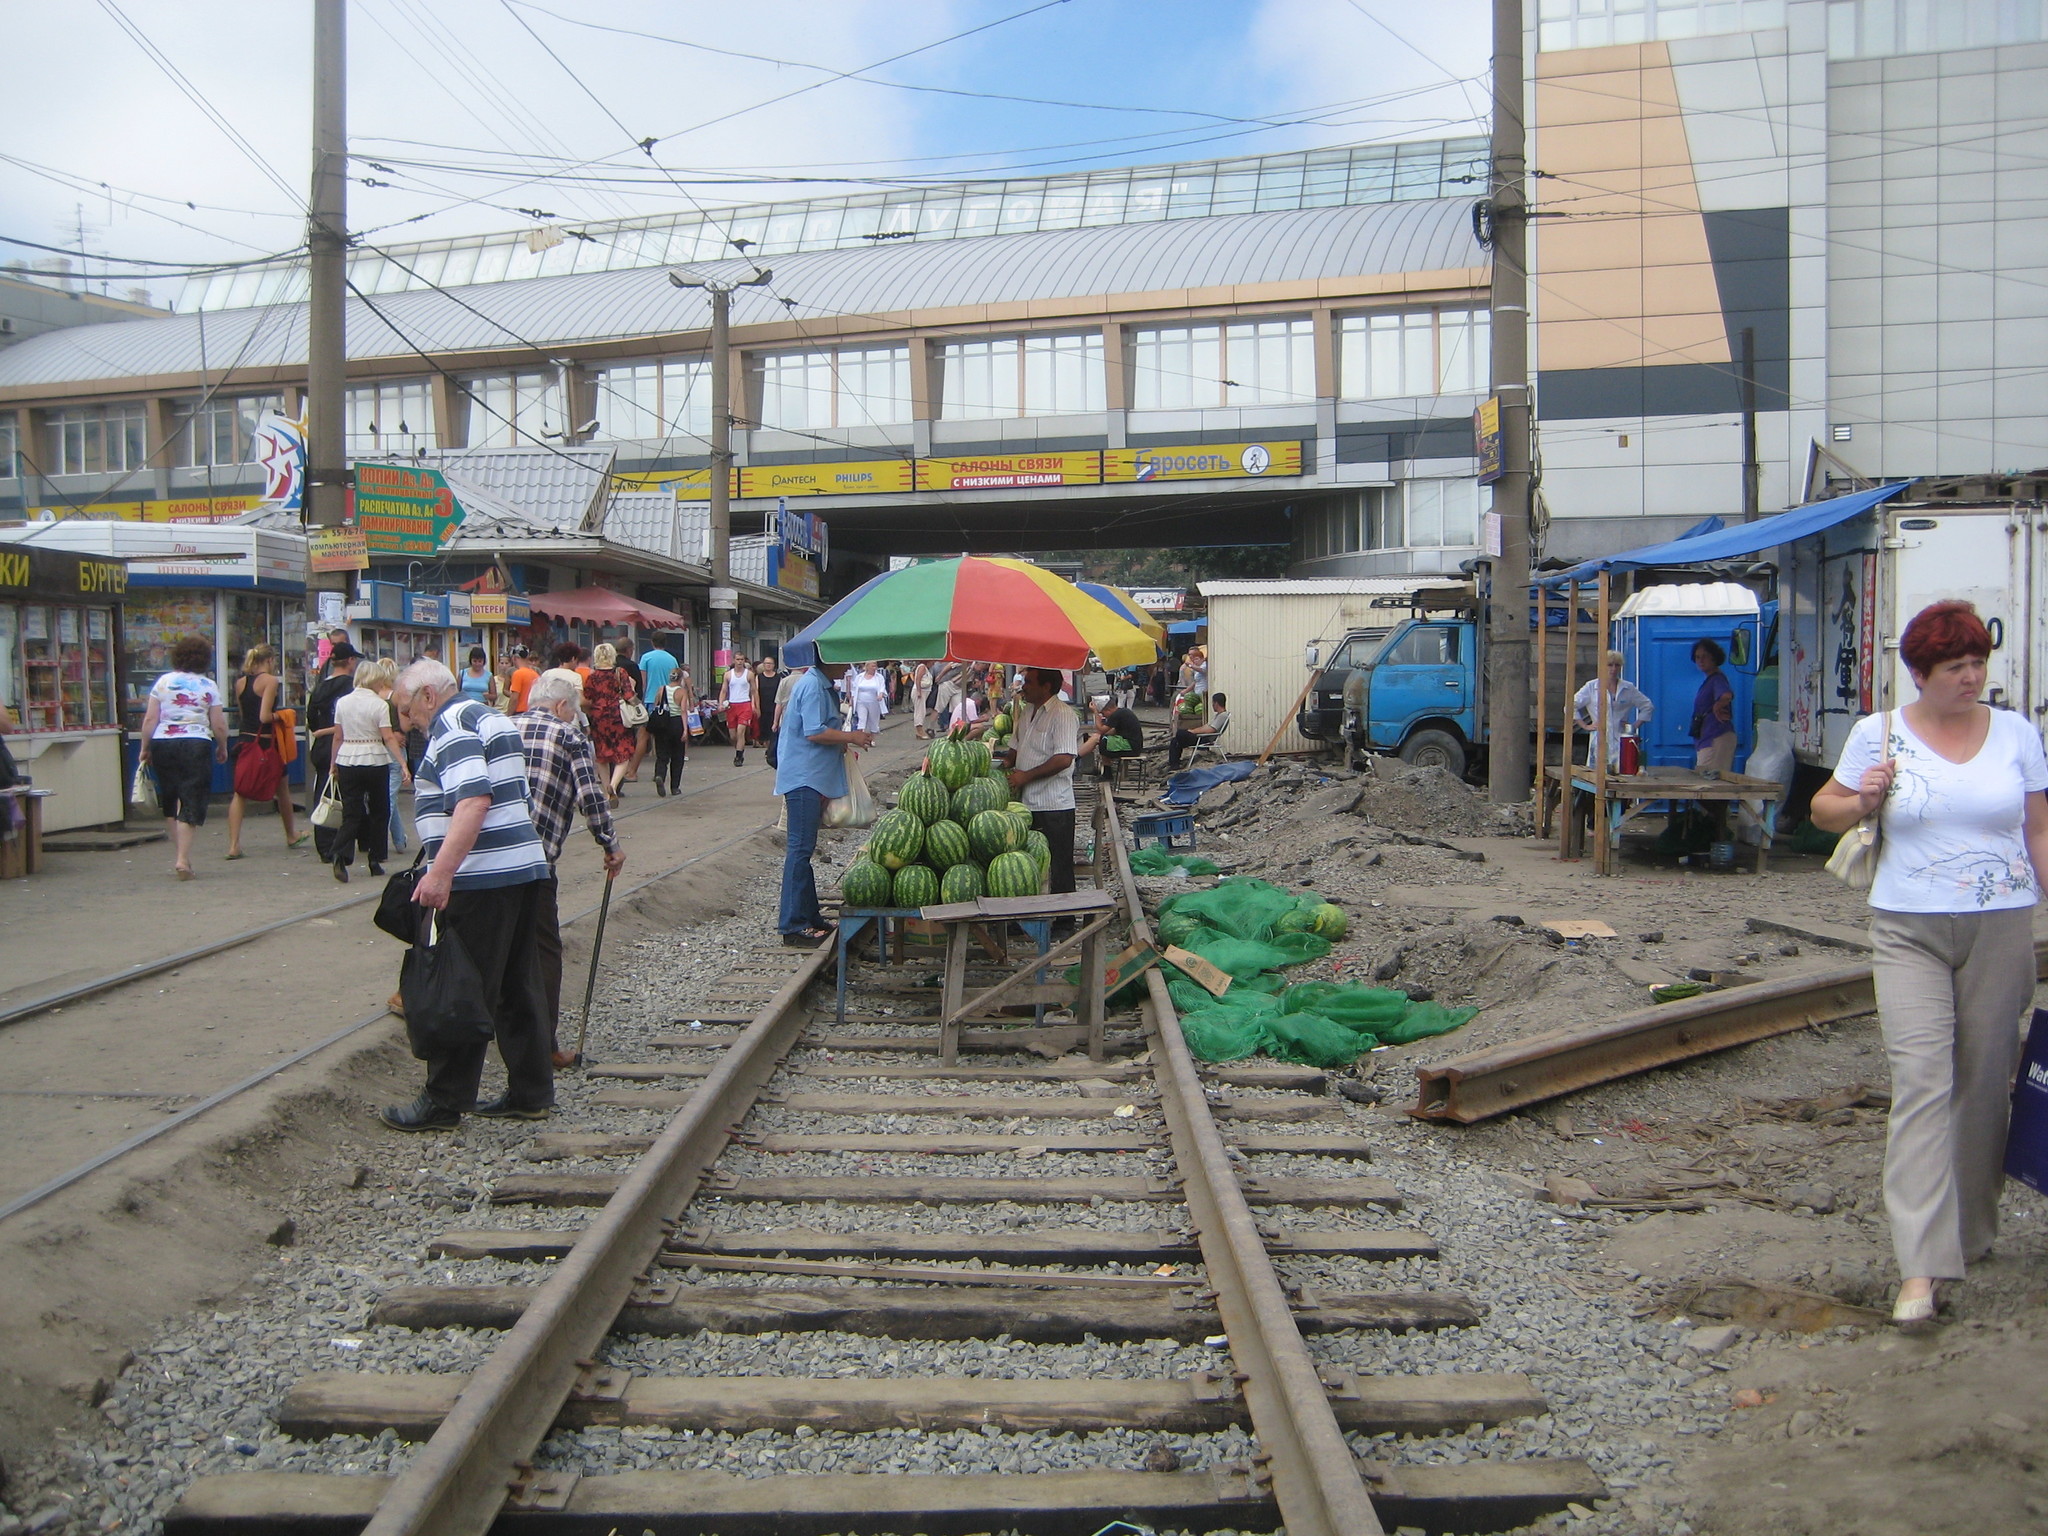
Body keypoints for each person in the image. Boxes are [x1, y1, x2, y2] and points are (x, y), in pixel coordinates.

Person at [1809, 601, 2048, 1326]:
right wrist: (1861, 799)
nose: (1972, 677)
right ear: (1920, 674)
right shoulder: (1877, 734)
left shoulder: (2017, 733)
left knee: (1982, 1084)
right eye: (1956, 667)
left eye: (1978, 663)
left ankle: (1972, 1229)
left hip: (2002, 928)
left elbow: (2038, 827)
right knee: (1920, 1080)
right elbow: (1823, 810)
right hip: (1907, 927)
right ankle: (1921, 1265)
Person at [380, 659, 555, 1133]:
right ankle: (531, 1091)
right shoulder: (491, 716)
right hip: (521, 868)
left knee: (460, 988)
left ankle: (444, 1100)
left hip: (480, 877)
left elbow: (474, 799)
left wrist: (440, 873)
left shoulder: (451, 725)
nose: (406, 721)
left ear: (428, 696)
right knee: (518, 985)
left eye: (407, 710)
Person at [518, 671, 626, 1069]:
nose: (575, 717)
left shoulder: (502, 728)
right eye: (575, 710)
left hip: (485, 860)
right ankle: (543, 1045)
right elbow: (591, 799)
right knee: (544, 951)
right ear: (562, 705)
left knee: (491, 946)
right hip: (534, 862)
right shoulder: (568, 737)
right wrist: (611, 846)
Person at [775, 660, 875, 946]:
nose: (847, 667)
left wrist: (842, 742)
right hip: (804, 778)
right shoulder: (813, 687)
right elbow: (815, 732)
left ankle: (810, 916)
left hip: (813, 776)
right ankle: (793, 926)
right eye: (843, 660)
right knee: (800, 849)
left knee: (804, 848)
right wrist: (851, 737)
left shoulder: (821, 685)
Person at [138, 635, 230, 881]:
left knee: (171, 797)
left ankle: (182, 856)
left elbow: (150, 719)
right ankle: (182, 859)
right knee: (191, 798)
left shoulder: (163, 682)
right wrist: (222, 746)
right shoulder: (209, 686)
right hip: (196, 743)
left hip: (163, 742)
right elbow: (218, 724)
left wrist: (145, 747)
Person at [329, 659, 410, 882]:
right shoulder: (379, 705)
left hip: (348, 758)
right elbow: (388, 737)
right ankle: (375, 859)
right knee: (379, 811)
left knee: (351, 812)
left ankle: (339, 852)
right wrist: (403, 764)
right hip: (375, 758)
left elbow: (338, 736)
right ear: (375, 680)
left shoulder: (342, 702)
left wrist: (333, 763)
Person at [1001, 668, 1079, 895]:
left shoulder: (1063, 715)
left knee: (1058, 865)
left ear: (1046, 687)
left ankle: (1064, 922)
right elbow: (1016, 747)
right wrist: (1003, 765)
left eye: (1028, 682)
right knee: (1030, 864)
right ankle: (1034, 914)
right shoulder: (1026, 712)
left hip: (1054, 805)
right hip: (1026, 805)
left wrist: (1025, 776)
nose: (1023, 686)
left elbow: (1064, 758)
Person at [224, 644, 305, 859]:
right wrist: (283, 715)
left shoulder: (240, 683)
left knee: (240, 792)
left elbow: (245, 716)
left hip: (245, 742)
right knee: (283, 789)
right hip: (268, 745)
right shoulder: (269, 681)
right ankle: (291, 834)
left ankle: (234, 845)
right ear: (269, 661)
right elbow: (264, 717)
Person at [304, 642, 361, 862]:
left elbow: (311, 717)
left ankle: (324, 844)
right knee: (346, 795)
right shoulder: (351, 687)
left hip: (321, 745)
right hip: (343, 744)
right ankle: (340, 845)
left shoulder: (320, 687)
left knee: (323, 793)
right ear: (350, 661)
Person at [1573, 650, 1655, 770]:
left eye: (1617, 665)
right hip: (1599, 739)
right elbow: (1571, 705)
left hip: (1621, 739)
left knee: (1623, 770)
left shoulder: (1628, 688)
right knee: (1598, 773)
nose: (1613, 669)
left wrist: (1634, 726)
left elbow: (1647, 706)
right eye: (1609, 665)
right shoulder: (1591, 687)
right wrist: (1585, 726)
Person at [579, 642, 637, 801]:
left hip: (598, 717)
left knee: (602, 755)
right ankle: (614, 784)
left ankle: (606, 791)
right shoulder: (620, 672)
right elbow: (629, 696)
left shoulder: (593, 676)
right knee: (623, 753)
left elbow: (586, 698)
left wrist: (592, 711)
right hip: (618, 716)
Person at [1688, 637, 1736, 774]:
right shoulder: (1709, 681)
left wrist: (1718, 706)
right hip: (1705, 739)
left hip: (1716, 738)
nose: (1701, 661)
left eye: (1705, 656)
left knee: (1709, 783)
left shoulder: (1718, 679)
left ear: (1714, 658)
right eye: (1697, 657)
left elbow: (1726, 695)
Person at [1167, 692, 1231, 772]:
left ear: (1216, 703)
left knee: (1180, 733)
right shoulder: (1219, 715)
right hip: (1202, 736)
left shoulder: (1223, 716)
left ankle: (1174, 764)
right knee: (1175, 740)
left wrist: (1193, 731)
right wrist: (1192, 731)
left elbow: (1211, 730)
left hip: (1205, 739)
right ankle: (1174, 764)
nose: (1212, 705)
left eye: (1213, 703)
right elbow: (1206, 726)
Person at [1090, 694, 1145, 779]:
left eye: (1103, 713)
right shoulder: (1122, 712)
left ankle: (1107, 773)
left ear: (1108, 709)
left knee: (1104, 742)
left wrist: (1096, 713)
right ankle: (1106, 771)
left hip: (1131, 746)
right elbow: (1112, 731)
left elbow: (1101, 729)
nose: (1104, 716)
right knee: (1103, 739)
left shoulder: (1117, 714)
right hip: (1133, 745)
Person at [722, 656, 756, 768]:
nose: (740, 661)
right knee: (733, 735)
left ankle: (738, 756)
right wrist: (720, 703)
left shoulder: (749, 674)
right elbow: (724, 690)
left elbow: (754, 691)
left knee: (741, 731)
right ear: (734, 661)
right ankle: (739, 748)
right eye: (737, 659)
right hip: (732, 705)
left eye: (742, 659)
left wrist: (755, 705)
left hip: (745, 704)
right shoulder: (728, 674)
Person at [848, 660, 889, 735]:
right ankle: (860, 737)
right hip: (861, 701)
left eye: (875, 666)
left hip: (874, 702)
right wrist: (851, 699)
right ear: (867, 667)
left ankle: (872, 738)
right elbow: (854, 689)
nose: (874, 668)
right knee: (861, 719)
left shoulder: (879, 677)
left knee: (873, 721)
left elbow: (882, 687)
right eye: (872, 666)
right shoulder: (859, 677)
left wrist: (881, 694)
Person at [506, 646, 540, 714]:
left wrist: (508, 715)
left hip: (520, 712)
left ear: (514, 658)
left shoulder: (518, 674)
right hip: (532, 711)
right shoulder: (535, 674)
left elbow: (514, 698)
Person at [910, 662, 933, 738]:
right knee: (920, 711)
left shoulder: (925, 668)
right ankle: (919, 730)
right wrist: (919, 691)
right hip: (920, 692)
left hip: (924, 692)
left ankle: (920, 730)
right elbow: (918, 679)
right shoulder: (922, 667)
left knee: (922, 711)